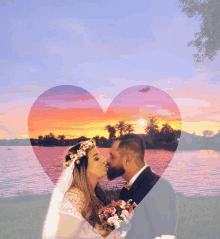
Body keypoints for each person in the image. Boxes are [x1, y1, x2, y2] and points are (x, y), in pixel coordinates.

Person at [42, 139, 122, 239]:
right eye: (96, 158)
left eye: (100, 156)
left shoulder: (97, 194)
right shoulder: (75, 197)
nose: (104, 160)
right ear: (83, 168)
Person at [106, 134, 177, 239]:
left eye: (112, 157)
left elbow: (165, 235)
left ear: (127, 160)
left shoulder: (158, 188)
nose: (107, 160)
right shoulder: (127, 189)